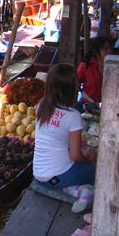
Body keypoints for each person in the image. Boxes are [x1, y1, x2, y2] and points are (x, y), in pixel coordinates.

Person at [32, 63, 96, 213]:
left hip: (39, 174)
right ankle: (81, 191)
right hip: (58, 178)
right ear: (72, 89)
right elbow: (75, 156)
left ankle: (74, 190)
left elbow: (55, 136)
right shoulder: (72, 116)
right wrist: (88, 156)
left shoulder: (40, 106)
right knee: (92, 169)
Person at [77, 36, 112, 104]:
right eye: (105, 48)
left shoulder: (114, 67)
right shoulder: (86, 65)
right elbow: (74, 82)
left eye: (110, 47)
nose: (109, 51)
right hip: (87, 104)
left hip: (107, 104)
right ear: (97, 51)